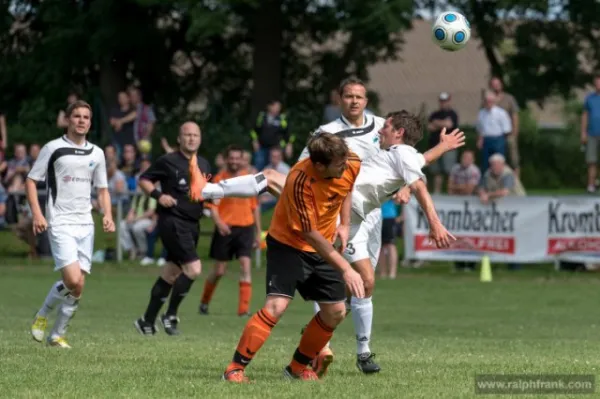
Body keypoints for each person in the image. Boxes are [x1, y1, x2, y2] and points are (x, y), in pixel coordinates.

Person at [243, 110, 461, 377]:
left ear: (399, 133)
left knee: (360, 283)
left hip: (353, 219)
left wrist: (434, 220)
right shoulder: (397, 153)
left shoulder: (403, 154)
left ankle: (327, 341)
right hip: (336, 210)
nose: (381, 129)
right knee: (274, 180)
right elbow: (420, 168)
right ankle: (208, 191)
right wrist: (441, 151)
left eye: (387, 126)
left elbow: (419, 179)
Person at [221, 133, 365, 383]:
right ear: (319, 165)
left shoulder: (349, 161)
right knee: (277, 306)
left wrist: (344, 223)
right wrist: (347, 270)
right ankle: (234, 368)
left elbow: (347, 188)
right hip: (289, 244)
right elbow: (310, 234)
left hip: (323, 244)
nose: (345, 167)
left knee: (336, 311)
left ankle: (297, 367)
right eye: (338, 165)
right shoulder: (300, 181)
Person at [134, 122, 269, 336]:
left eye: (195, 135)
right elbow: (144, 180)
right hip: (172, 221)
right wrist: (159, 195)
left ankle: (146, 321)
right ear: (179, 138)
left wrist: (212, 205)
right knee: (194, 268)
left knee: (171, 273)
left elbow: (208, 191)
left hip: (192, 223)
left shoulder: (204, 164)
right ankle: (170, 316)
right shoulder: (168, 161)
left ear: (200, 138)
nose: (191, 138)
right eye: (187, 135)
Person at [29, 100, 115, 348]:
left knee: (78, 286)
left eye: (86, 117)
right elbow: (31, 181)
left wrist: (107, 214)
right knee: (73, 279)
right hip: (60, 222)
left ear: (90, 122)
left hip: (85, 224)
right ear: (68, 120)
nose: (81, 121)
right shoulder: (53, 148)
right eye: (76, 116)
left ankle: (57, 335)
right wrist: (37, 213)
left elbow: (102, 189)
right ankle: (42, 314)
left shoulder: (97, 153)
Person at [199, 145, 261, 316]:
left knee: (245, 266)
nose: (234, 161)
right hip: (225, 229)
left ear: (242, 160)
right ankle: (204, 302)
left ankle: (243, 310)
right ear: (226, 159)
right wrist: (219, 224)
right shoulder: (219, 179)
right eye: (231, 158)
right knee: (219, 270)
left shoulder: (249, 179)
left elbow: (255, 207)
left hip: (246, 228)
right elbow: (213, 207)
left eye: (237, 158)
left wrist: (258, 232)